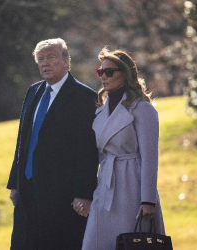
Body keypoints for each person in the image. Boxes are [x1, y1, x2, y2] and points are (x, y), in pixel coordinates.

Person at [6, 38, 99, 250]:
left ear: (66, 61)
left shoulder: (84, 97)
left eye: (51, 57)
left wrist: (83, 194)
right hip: (27, 191)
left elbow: (88, 150)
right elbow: (23, 140)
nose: (44, 63)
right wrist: (15, 183)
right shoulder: (33, 92)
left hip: (62, 197)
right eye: (40, 59)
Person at [79, 47, 165, 250]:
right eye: (101, 72)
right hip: (105, 188)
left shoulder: (143, 109)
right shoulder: (100, 111)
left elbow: (150, 158)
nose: (103, 77)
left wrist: (148, 200)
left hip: (132, 189)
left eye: (109, 72)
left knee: (131, 243)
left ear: (125, 75)